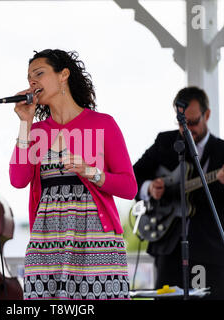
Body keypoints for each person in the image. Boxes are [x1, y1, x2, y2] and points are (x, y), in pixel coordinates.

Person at [9, 49, 137, 300]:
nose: (32, 82)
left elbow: (129, 187)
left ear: (63, 75)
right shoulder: (36, 131)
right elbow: (18, 179)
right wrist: (25, 122)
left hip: (96, 240)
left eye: (39, 73)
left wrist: (91, 172)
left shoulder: (103, 124)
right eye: (28, 78)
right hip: (46, 241)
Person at [133, 86, 224, 300]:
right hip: (170, 253)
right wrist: (149, 187)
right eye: (181, 123)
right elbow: (133, 176)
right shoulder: (164, 142)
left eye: (193, 122)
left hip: (214, 253)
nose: (187, 129)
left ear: (207, 115)